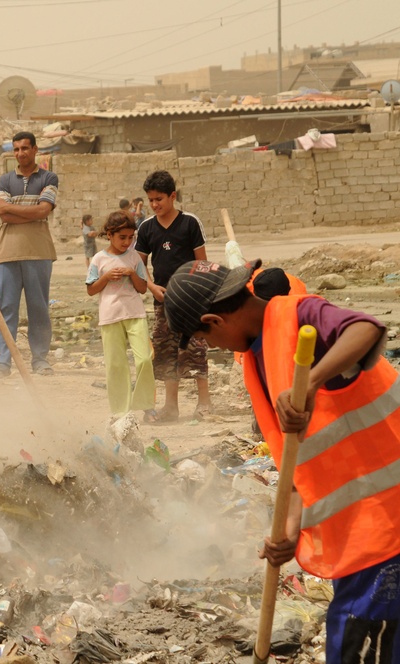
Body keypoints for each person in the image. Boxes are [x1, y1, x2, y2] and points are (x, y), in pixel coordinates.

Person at [163, 259, 400, 664]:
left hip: (385, 521)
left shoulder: (298, 314)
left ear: (214, 320)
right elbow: (297, 460)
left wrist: (312, 379)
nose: (214, 349)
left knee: (359, 644)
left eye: (205, 339)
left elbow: (367, 327)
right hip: (364, 528)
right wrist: (290, 530)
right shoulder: (257, 358)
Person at [134, 169, 209, 421]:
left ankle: (204, 404)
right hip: (162, 302)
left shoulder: (190, 222)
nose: (154, 205)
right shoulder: (146, 228)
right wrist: (153, 287)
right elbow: (139, 264)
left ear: (173, 196)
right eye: (151, 200)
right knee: (166, 352)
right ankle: (171, 407)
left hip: (190, 302)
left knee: (196, 350)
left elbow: (202, 263)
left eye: (159, 199)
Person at [0, 131, 58, 379]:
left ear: (35, 149)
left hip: (39, 252)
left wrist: (12, 207)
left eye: (25, 148)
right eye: (16, 149)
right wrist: (30, 210)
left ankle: (40, 360)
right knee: (4, 308)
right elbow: (2, 214)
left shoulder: (49, 177)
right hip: (8, 251)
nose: (20, 153)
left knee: (38, 308)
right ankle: (2, 363)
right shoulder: (5, 180)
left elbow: (43, 211)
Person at [85, 212, 155, 421]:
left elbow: (142, 288)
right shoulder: (99, 259)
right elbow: (90, 290)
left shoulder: (134, 257)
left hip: (135, 313)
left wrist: (132, 273)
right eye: (122, 237)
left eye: (130, 237)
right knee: (116, 365)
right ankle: (121, 412)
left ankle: (146, 405)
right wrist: (106, 277)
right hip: (110, 316)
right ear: (109, 235)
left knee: (144, 359)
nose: (127, 242)